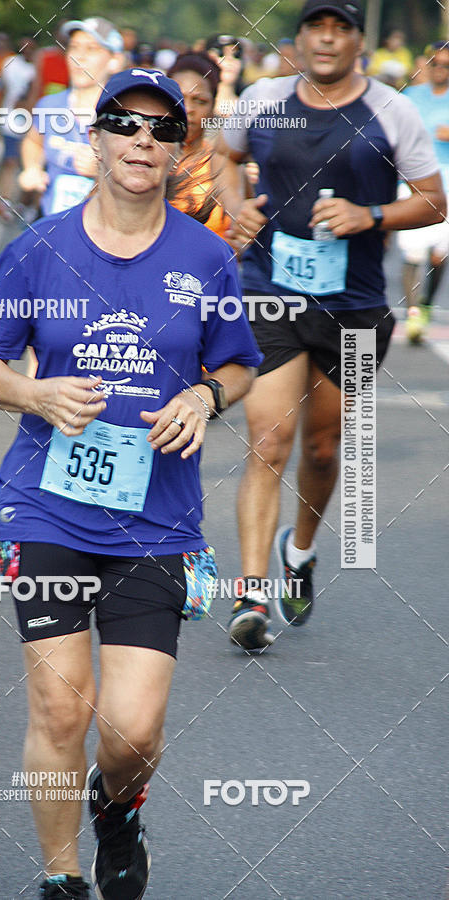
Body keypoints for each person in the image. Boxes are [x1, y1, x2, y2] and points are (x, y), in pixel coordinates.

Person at [0, 68, 262, 900]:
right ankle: (61, 878)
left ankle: (119, 806)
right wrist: (34, 394)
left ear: (178, 151)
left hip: (155, 520)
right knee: (60, 710)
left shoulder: (204, 257)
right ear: (94, 140)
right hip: (45, 507)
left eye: (162, 129)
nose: (141, 140)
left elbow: (238, 363)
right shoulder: (40, 248)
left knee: (131, 733)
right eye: (124, 124)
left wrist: (203, 397)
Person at [218, 0, 445, 650]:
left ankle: (301, 550)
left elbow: (434, 201)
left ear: (357, 41)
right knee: (269, 441)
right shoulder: (263, 99)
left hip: (355, 307)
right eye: (316, 26)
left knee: (322, 448)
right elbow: (223, 154)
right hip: (271, 294)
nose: (326, 38)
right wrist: (236, 206)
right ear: (298, 38)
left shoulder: (392, 110)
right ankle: (251, 594)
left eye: (340, 27)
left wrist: (369, 216)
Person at [18, 17, 123, 218]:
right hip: (50, 222)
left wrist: (104, 171)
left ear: (114, 61)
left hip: (105, 228)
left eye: (91, 49)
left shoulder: (125, 116)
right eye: (74, 47)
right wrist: (32, 168)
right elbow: (34, 141)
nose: (79, 57)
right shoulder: (50, 105)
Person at [397, 41, 449, 344]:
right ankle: (413, 314)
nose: (440, 70)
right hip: (412, 181)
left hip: (447, 181)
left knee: (438, 256)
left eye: (446, 65)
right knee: (412, 252)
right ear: (426, 65)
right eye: (435, 64)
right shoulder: (411, 97)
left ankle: (426, 305)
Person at [167, 51, 243, 239]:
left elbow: (241, 230)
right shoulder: (140, 156)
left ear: (212, 108)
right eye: (179, 98)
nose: (188, 109)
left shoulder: (223, 166)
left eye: (199, 101)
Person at [0, 36, 37, 221]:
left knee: (27, 163)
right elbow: (1, 89)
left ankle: (22, 203)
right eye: (24, 46)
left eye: (31, 47)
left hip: (32, 124)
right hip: (10, 121)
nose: (27, 49)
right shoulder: (10, 63)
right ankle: (4, 200)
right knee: (10, 161)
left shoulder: (37, 68)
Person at [205, 34, 245, 117]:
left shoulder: (251, 106)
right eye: (221, 54)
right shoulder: (196, 105)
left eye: (236, 55)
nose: (230, 59)